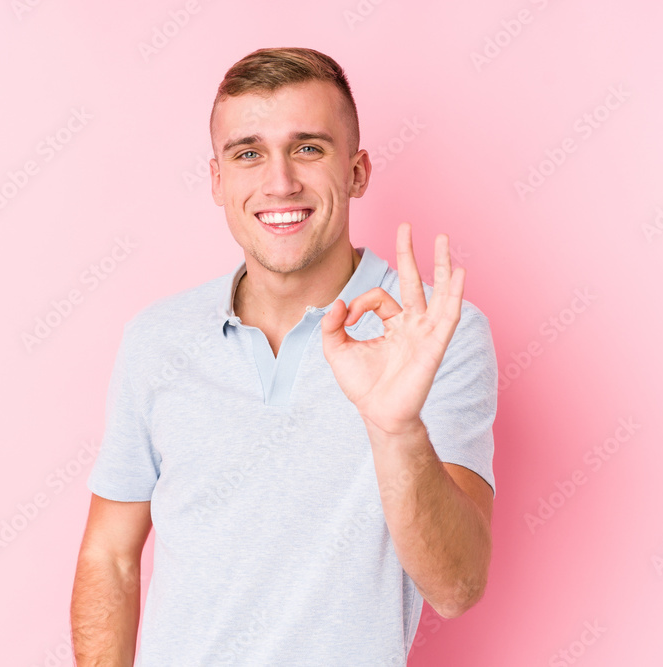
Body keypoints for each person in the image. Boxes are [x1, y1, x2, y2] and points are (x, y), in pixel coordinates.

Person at [70, 46, 497, 666]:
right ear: (217, 180)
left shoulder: (433, 332)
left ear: (357, 172)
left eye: (308, 148)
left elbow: (457, 588)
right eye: (248, 154)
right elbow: (109, 556)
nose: (279, 182)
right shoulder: (157, 338)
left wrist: (397, 429)